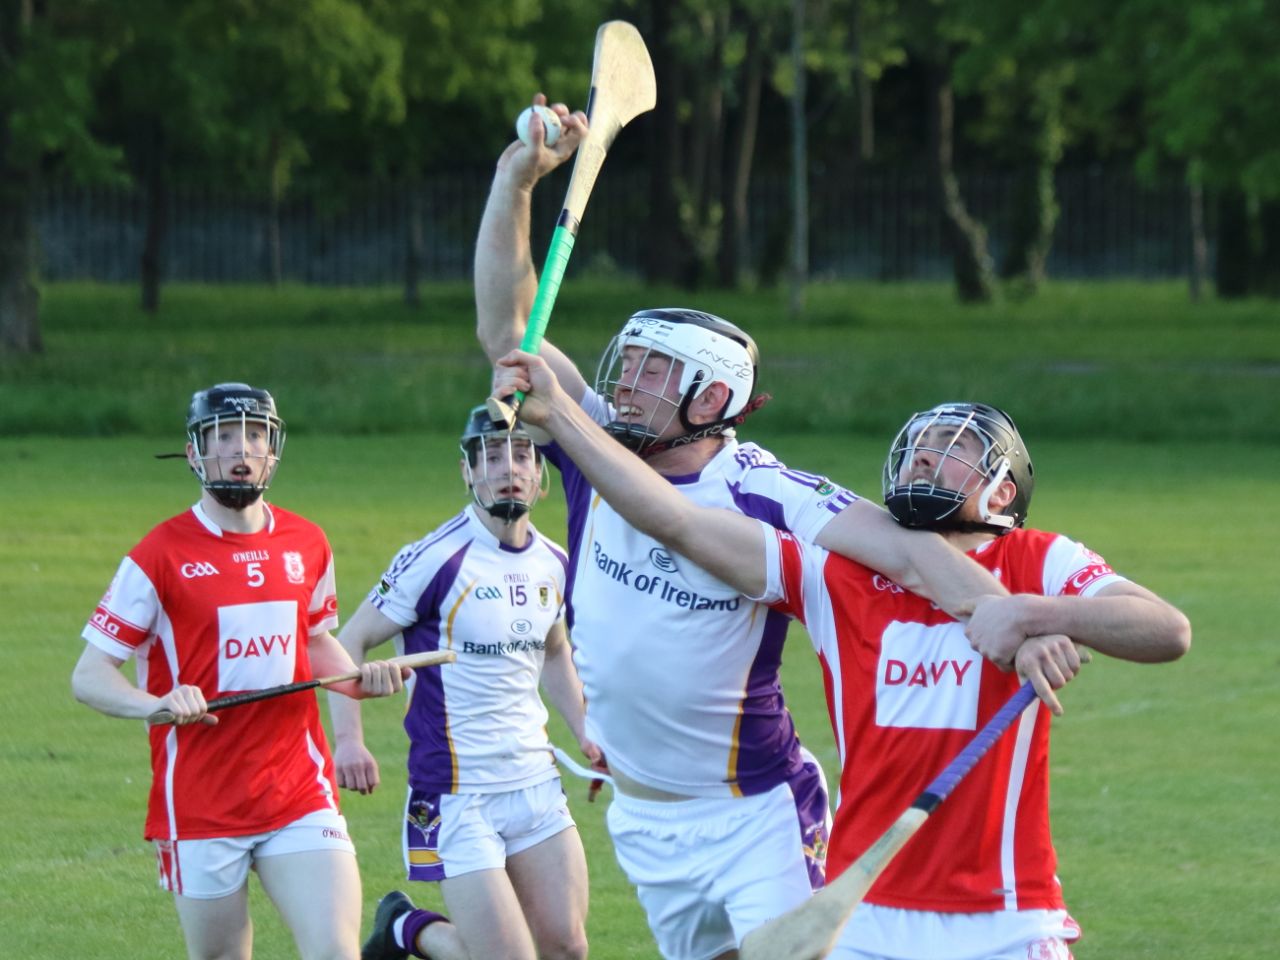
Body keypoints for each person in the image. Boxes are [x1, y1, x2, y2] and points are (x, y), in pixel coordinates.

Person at [475, 97, 1023, 960]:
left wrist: (1005, 616)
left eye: (656, 373)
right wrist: (516, 181)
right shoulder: (597, 441)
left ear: (712, 399)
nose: (627, 387)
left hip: (754, 812)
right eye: (631, 364)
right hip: (643, 816)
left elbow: (901, 549)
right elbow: (510, 332)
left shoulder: (762, 490)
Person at [497, 356, 1192, 960]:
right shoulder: (833, 573)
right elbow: (672, 518)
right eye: (919, 439)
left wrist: (1036, 613)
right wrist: (563, 419)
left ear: (1003, 491)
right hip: (862, 910)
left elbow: (1166, 630)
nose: (924, 451)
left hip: (1008, 912)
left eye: (954, 445)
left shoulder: (1038, 562)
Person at [70, 382, 419, 960]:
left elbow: (313, 642)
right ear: (195, 453)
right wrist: (153, 703)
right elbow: (89, 675)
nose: (241, 448)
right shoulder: (158, 554)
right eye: (224, 436)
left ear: (272, 447)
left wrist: (360, 679)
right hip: (203, 803)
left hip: (297, 790)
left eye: (254, 434)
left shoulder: (306, 542)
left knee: (336, 952)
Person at [332, 405, 598, 960]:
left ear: (540, 473)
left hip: (534, 781)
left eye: (522, 454)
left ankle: (403, 928)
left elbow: (554, 651)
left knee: (568, 947)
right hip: (456, 792)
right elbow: (347, 643)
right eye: (492, 455)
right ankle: (409, 929)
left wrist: (588, 733)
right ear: (468, 470)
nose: (509, 467)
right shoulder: (435, 558)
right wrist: (350, 740)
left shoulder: (554, 561)